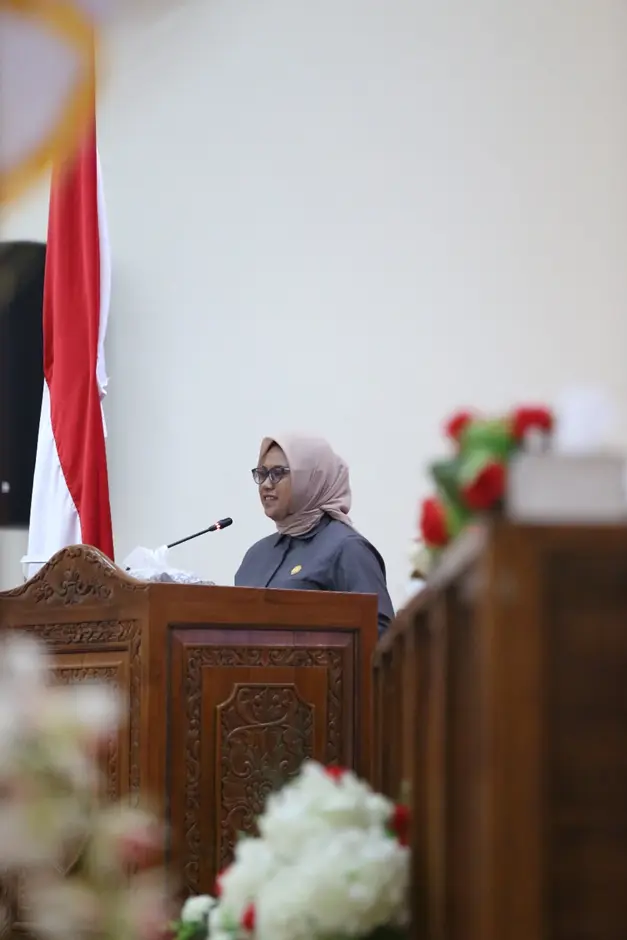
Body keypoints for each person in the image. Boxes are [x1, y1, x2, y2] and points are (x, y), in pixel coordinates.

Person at [235, 433, 394, 635]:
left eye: (277, 473)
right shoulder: (255, 556)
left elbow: (379, 634)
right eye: (262, 473)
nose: (266, 484)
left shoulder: (347, 549)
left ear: (312, 477)